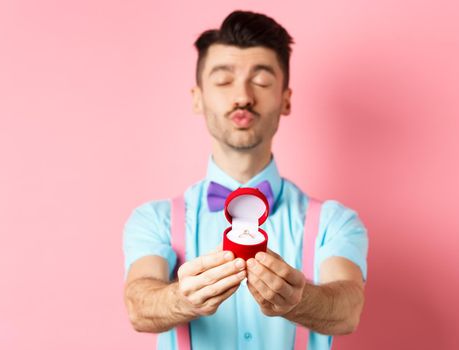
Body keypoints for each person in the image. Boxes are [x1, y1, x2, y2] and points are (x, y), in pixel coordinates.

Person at [123, 10, 368, 350]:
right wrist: (182, 299)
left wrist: (299, 299)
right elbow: (138, 304)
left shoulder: (335, 221)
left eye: (262, 81)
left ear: (286, 99)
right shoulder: (154, 220)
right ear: (198, 98)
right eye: (223, 81)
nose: (243, 96)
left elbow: (347, 309)